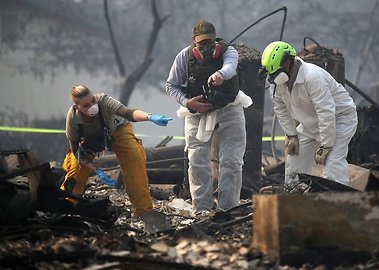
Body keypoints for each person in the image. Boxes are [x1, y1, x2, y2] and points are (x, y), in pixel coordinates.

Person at [61, 84, 173, 233]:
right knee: (76, 169)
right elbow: (77, 153)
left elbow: (128, 113)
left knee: (134, 159)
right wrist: (97, 170)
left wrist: (150, 117)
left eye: (93, 101)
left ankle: (144, 211)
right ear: (77, 106)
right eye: (86, 105)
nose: (92, 106)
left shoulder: (104, 101)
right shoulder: (73, 119)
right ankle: (67, 207)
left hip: (117, 130)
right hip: (89, 141)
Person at [165, 20, 251, 214]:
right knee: (197, 161)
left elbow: (230, 66)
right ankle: (202, 209)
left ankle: (228, 208)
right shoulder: (184, 58)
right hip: (197, 112)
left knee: (232, 160)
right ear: (194, 41)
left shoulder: (228, 51)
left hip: (230, 109)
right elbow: (171, 85)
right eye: (202, 43)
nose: (206, 47)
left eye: (210, 42)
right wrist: (188, 103)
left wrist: (220, 74)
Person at [261, 41, 358, 186]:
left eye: (275, 73)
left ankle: (338, 202)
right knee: (294, 162)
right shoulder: (276, 83)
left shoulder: (313, 77)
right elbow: (280, 110)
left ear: (287, 63)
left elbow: (326, 112)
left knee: (332, 164)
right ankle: (295, 199)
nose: (273, 78)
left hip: (339, 119)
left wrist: (326, 145)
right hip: (310, 123)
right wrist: (292, 135)